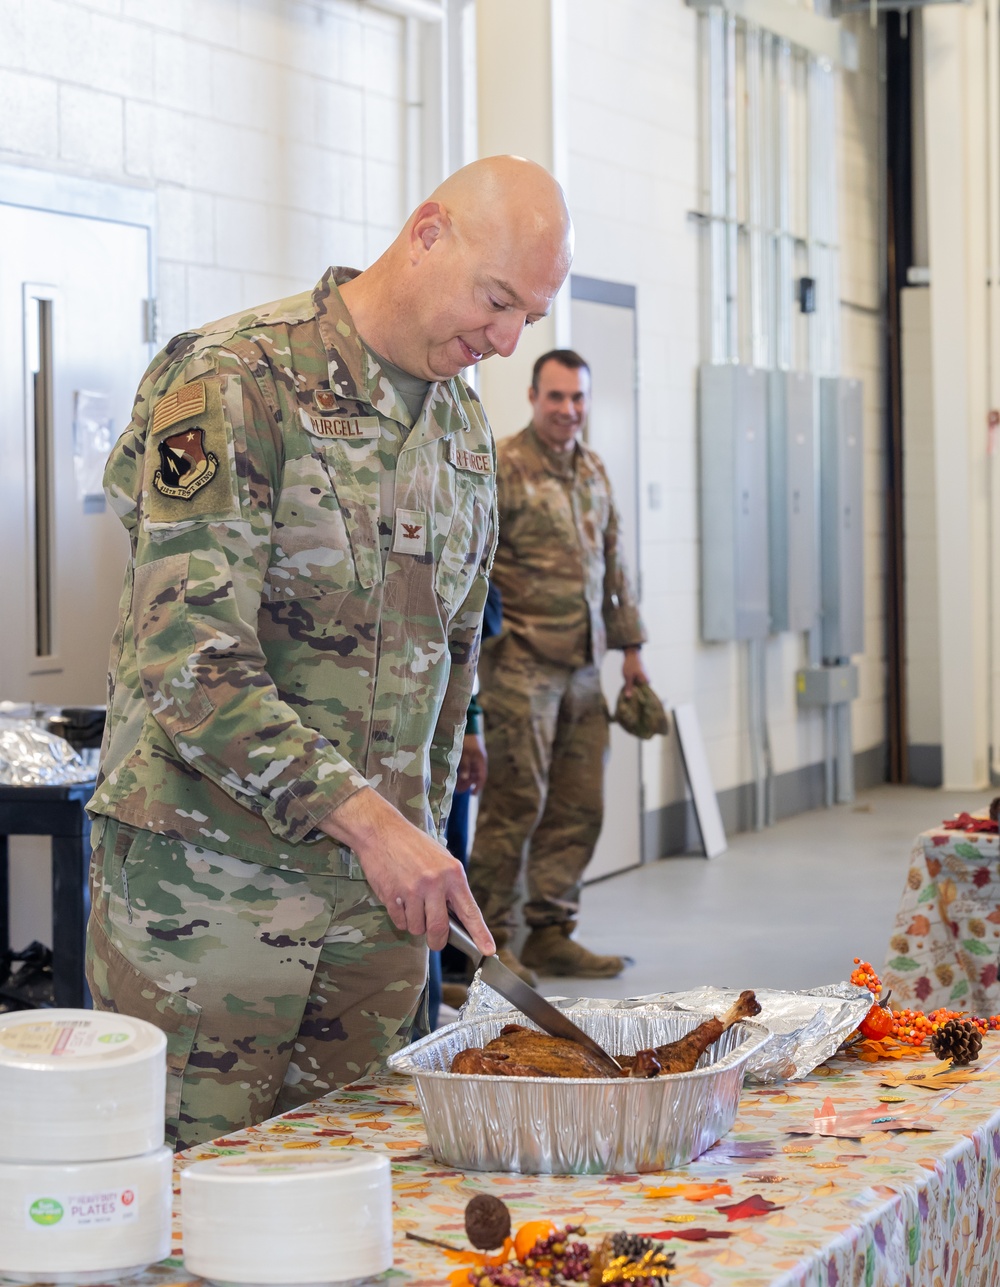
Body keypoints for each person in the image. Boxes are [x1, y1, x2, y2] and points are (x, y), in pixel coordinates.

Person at [85, 156, 573, 1148]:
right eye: (496, 300)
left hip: (380, 925)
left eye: (528, 315)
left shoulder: (462, 429)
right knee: (193, 1206)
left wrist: (440, 786)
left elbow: (451, 645)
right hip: (208, 901)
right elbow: (188, 657)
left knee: (357, 1201)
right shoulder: (233, 384)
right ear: (426, 232)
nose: (507, 340)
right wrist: (374, 825)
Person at [467, 349, 647, 982]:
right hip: (521, 663)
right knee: (515, 804)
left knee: (579, 804)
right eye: (556, 397)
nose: (568, 410)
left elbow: (616, 565)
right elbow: (476, 568)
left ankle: (550, 930)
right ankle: (488, 948)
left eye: (578, 399)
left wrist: (632, 652)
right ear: (533, 397)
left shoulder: (593, 470)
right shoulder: (504, 467)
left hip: (585, 667)